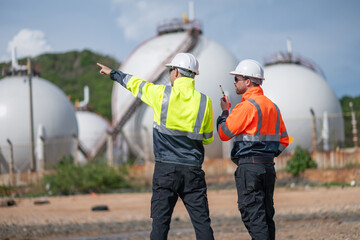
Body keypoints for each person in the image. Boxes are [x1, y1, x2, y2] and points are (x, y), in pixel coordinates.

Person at [97, 52, 215, 240]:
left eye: (170, 70)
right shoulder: (204, 101)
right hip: (193, 170)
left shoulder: (161, 94)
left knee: (160, 224)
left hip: (166, 170)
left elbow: (135, 84)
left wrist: (113, 73)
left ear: (176, 72)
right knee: (202, 223)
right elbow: (208, 138)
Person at [217, 59, 289, 240]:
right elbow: (284, 140)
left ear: (248, 81)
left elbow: (224, 133)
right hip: (267, 167)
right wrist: (267, 154)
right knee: (265, 215)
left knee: (252, 215)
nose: (234, 83)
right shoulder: (273, 106)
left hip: (249, 168)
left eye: (237, 79)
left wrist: (225, 112)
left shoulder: (246, 106)